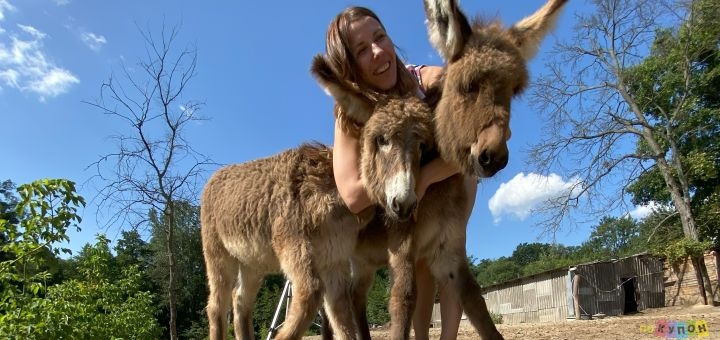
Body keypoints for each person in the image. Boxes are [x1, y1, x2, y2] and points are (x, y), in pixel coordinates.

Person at [323, 6, 476, 340]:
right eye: (362, 50)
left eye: (380, 37)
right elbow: (351, 194)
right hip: (382, 209)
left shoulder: (424, 80)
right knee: (417, 258)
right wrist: (402, 182)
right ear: (349, 66)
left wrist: (426, 177)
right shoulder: (348, 113)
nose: (378, 51)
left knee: (450, 239)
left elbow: (477, 137)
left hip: (434, 193)